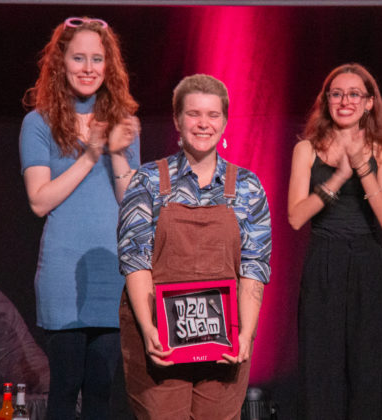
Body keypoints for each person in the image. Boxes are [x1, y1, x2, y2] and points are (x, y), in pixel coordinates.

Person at [117, 74, 271, 420]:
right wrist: (149, 330)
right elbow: (135, 260)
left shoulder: (248, 187)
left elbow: (254, 266)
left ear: (225, 121)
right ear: (177, 120)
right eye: (193, 114)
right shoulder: (147, 181)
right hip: (160, 340)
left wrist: (246, 334)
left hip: (223, 343)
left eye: (213, 115)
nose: (203, 123)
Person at [19, 17, 140, 420]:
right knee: (66, 386)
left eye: (97, 59)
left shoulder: (123, 122)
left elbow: (131, 202)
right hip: (64, 272)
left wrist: (117, 151)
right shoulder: (39, 123)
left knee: (102, 392)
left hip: (110, 270)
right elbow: (39, 201)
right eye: (78, 58)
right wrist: (90, 154)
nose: (88, 68)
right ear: (61, 63)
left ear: (109, 66)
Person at [288, 63, 382, 419]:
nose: (345, 101)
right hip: (324, 258)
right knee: (320, 369)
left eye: (354, 94)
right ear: (326, 101)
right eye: (336, 94)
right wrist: (337, 178)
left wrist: (361, 167)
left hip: (366, 260)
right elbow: (295, 217)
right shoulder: (307, 149)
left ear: (369, 103)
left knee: (367, 368)